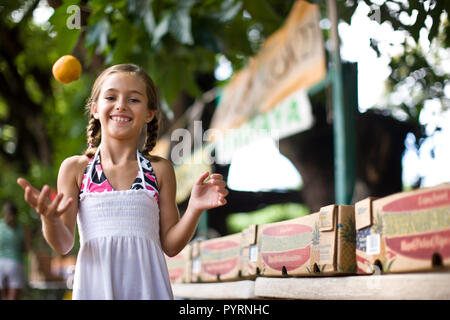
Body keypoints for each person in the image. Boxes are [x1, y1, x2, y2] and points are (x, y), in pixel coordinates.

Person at [17, 64, 228, 300]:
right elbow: (64, 244)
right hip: (95, 291)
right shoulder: (76, 169)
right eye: (111, 96)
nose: (121, 105)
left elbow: (170, 245)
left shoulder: (159, 170)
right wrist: (50, 220)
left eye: (134, 99)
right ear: (95, 109)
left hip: (149, 291)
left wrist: (194, 208)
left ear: (149, 113)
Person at [0, 200, 30, 300]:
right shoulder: (22, 228)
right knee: (14, 296)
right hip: (15, 262)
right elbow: (26, 249)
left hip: (0, 262)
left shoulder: (0, 226)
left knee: (3, 296)